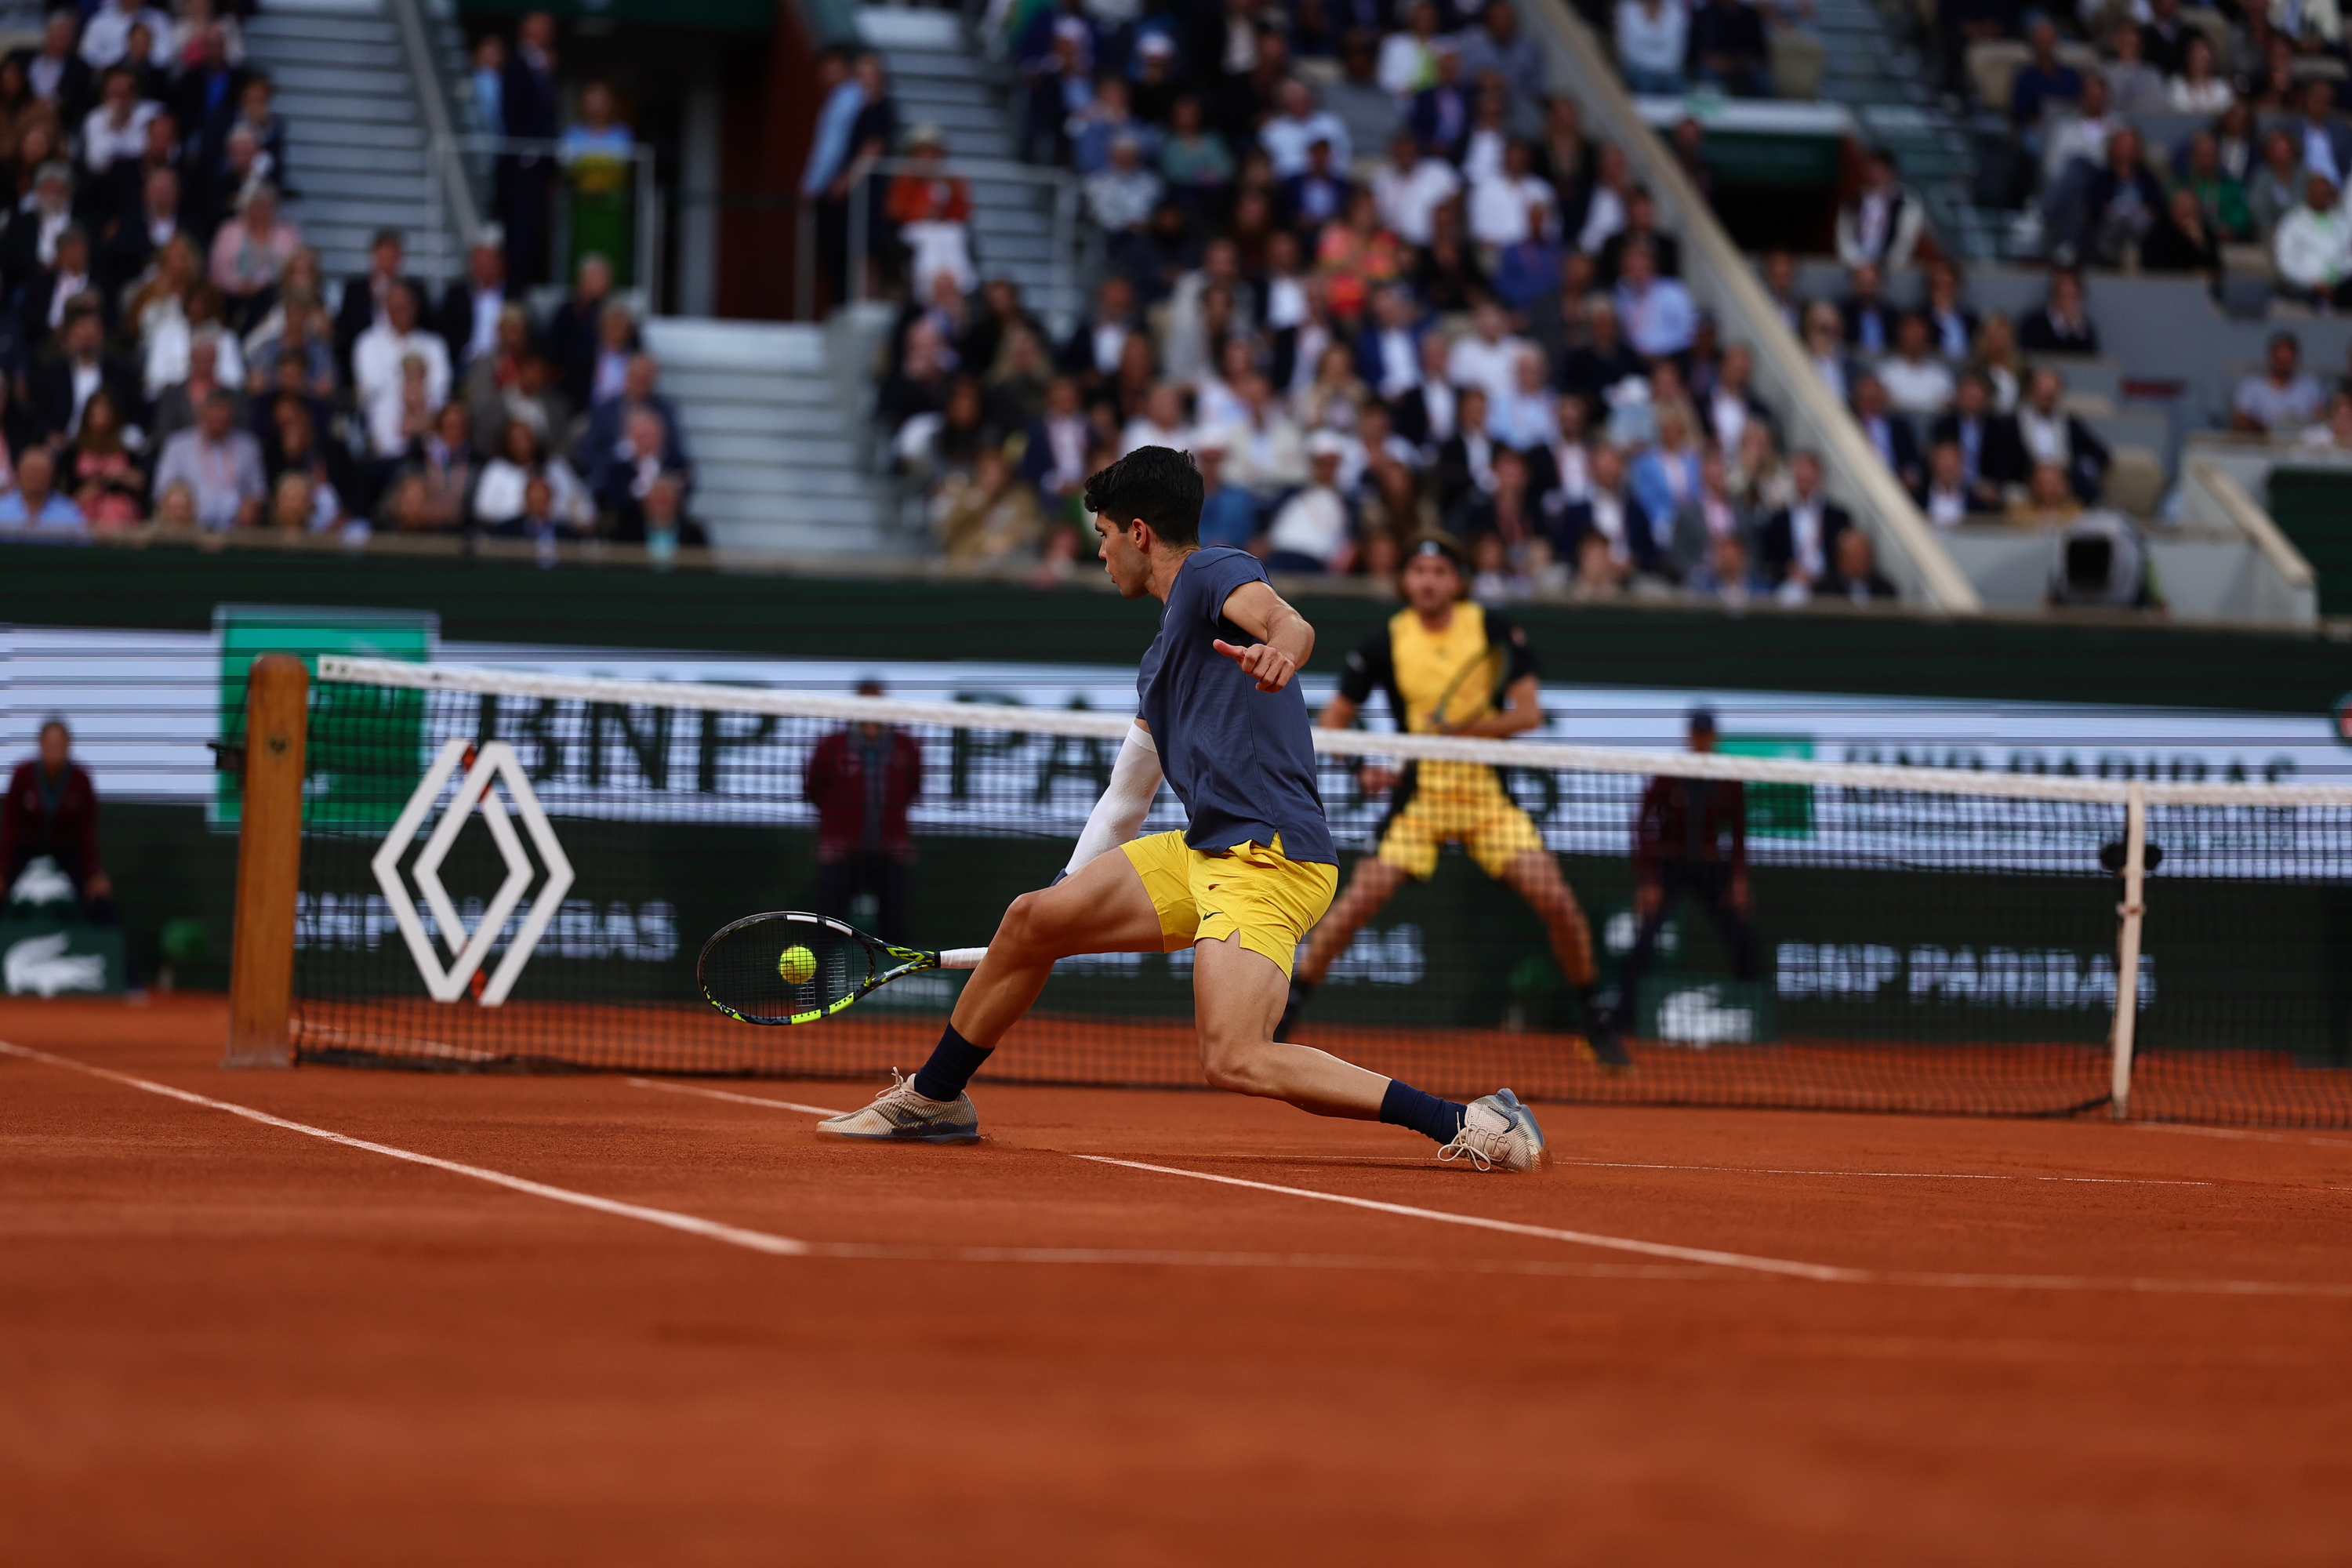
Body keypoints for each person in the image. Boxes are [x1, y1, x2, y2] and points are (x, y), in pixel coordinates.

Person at [815, 447, 1550, 1172]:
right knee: (1031, 920)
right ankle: (935, 1099)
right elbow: (1126, 799)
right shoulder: (1158, 664)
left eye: (1103, 535)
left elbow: (1285, 620)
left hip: (1270, 858)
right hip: (1203, 850)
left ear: (1138, 533)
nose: (1099, 554)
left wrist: (1283, 650)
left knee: (1233, 1057)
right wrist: (1063, 895)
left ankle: (1470, 1121)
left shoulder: (1208, 571)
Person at [1280, 532, 1620, 1063]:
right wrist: (1360, 767)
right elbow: (1335, 719)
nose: (1430, 582)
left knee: (1557, 902)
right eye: (1419, 572)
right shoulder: (1385, 642)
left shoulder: (1492, 627)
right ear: (1405, 581)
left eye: (1441, 573)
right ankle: (1285, 1016)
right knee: (1352, 910)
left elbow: (1528, 714)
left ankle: (1595, 1017)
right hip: (1419, 802)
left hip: (1487, 799)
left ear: (1458, 581)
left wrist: (1463, 730)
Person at [1611, 707, 1762, 1040]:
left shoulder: (1728, 777)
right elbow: (1643, 825)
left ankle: (1756, 1019)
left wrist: (1738, 880)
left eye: (1707, 733)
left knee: (1743, 937)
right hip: (1671, 865)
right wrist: (1649, 879)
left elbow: (1738, 832)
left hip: (1710, 866)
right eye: (1696, 733)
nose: (1701, 739)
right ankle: (1619, 1021)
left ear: (1714, 737)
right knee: (1644, 939)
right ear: (1689, 735)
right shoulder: (1669, 774)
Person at [804, 677, 925, 946]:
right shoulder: (831, 747)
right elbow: (814, 788)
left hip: (891, 854)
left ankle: (894, 984)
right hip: (841, 854)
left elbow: (912, 789)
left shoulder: (906, 748)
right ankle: (820, 985)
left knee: (894, 929)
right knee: (828, 929)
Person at [3, 718, 114, 923]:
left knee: (98, 895)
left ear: (68, 746)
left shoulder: (80, 779)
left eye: (60, 744)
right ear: (40, 745)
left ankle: (114, 951)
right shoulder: (22, 775)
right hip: (26, 846)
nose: (55, 749)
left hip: (66, 848)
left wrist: (93, 873)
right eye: (50, 744)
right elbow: (11, 827)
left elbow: (86, 832)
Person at [153, 388, 265, 528]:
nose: (218, 419)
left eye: (223, 415)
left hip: (236, 525)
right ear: (202, 414)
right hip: (191, 524)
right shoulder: (178, 445)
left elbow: (259, 490)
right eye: (214, 414)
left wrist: (251, 503)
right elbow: (162, 489)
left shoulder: (248, 446)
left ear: (231, 416)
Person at [2233, 330, 2328, 435]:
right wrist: (2269, 431)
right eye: (2280, 355)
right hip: (2262, 447)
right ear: (2271, 356)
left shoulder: (2311, 386)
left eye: (2288, 355)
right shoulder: (2251, 386)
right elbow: (2240, 421)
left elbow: (2322, 421)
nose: (2284, 359)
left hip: (2301, 446)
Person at [1816, 527, 1896, 601]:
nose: (1860, 561)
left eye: (1864, 555)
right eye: (1855, 556)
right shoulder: (1825, 591)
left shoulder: (1884, 590)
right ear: (1840, 558)